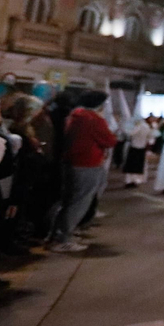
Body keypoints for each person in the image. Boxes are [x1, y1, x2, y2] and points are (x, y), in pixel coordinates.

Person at [47, 91, 115, 253]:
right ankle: (63, 238)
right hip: (87, 164)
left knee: (69, 201)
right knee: (79, 202)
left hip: (72, 162)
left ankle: (59, 234)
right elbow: (110, 140)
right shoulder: (94, 120)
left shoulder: (75, 116)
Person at [123, 112, 152, 186]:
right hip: (142, 148)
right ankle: (136, 180)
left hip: (134, 147)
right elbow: (150, 138)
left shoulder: (138, 126)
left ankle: (130, 181)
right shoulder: (147, 126)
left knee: (131, 166)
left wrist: (126, 128)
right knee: (138, 166)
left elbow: (130, 133)